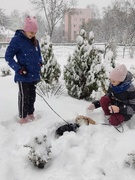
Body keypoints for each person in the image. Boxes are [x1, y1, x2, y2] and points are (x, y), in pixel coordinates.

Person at [5, 16, 42, 124]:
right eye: (31, 32)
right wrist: (19, 69)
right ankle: (23, 117)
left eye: (34, 33)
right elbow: (8, 57)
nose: (32, 35)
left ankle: (30, 114)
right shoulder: (17, 40)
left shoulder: (35, 41)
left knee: (32, 96)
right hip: (23, 75)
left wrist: (40, 63)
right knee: (24, 97)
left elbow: (39, 56)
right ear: (25, 29)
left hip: (33, 75)